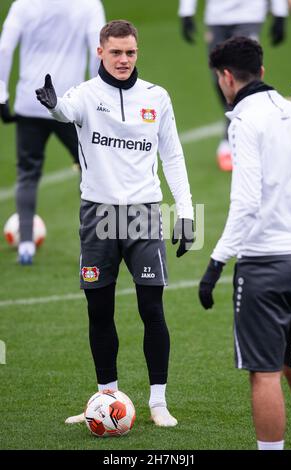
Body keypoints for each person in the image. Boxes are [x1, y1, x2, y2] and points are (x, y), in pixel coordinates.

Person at [36, 20, 195, 427]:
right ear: (100, 53)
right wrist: (53, 104)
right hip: (98, 215)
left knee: (152, 308)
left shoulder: (156, 97)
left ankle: (158, 402)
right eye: (116, 52)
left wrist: (187, 211)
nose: (124, 60)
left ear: (137, 52)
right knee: (99, 309)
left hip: (143, 214)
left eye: (131, 52)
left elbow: (172, 156)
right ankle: (106, 399)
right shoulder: (85, 95)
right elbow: (64, 111)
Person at [198, 36, 291, 450]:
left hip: (265, 267)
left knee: (266, 372)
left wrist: (216, 263)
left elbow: (245, 202)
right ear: (261, 71)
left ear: (225, 78)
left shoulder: (242, 121)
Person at [0, 0, 106, 265]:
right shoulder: (89, 5)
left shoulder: (23, 4)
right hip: (70, 104)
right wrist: (98, 99)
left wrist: (1, 94)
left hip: (29, 101)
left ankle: (26, 245)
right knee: (91, 170)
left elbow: (3, 48)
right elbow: (98, 53)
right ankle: (97, 242)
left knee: (27, 172)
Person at [178, 0, 288, 171]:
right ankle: (236, 131)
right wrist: (186, 11)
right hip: (217, 17)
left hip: (249, 14)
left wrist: (280, 12)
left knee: (245, 74)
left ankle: (231, 139)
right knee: (220, 77)